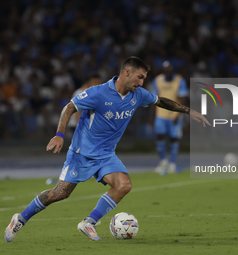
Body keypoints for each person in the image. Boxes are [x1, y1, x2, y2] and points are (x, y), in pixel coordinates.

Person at [4, 56, 210, 242]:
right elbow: (69, 107)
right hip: (81, 154)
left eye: (144, 79)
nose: (141, 83)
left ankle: (89, 223)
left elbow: (161, 100)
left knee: (124, 185)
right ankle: (20, 219)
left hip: (106, 155)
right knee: (59, 194)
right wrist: (59, 134)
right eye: (139, 77)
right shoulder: (98, 93)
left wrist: (189, 111)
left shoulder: (137, 95)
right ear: (127, 72)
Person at [153, 61, 188, 174]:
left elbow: (182, 98)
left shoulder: (179, 80)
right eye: (165, 70)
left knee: (174, 138)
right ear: (163, 71)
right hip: (160, 114)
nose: (167, 72)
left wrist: (178, 113)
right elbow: (154, 98)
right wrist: (152, 115)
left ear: (172, 70)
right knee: (160, 137)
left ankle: (172, 163)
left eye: (169, 70)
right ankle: (163, 161)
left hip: (174, 115)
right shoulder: (157, 80)